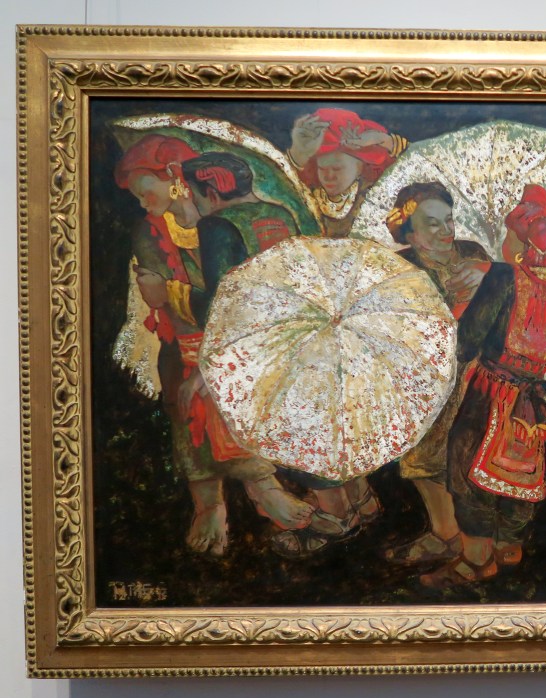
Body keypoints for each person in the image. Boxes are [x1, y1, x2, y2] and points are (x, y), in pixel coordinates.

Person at [115, 137, 314, 557]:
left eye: (145, 189)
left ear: (175, 178)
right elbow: (156, 293)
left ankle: (262, 486)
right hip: (183, 337)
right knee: (186, 405)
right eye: (135, 196)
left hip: (242, 336)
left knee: (241, 402)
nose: (141, 201)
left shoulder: (222, 223)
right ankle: (209, 505)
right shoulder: (149, 229)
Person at [420, 185, 546, 588]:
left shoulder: (503, 277)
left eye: (509, 236)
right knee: (520, 468)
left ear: (520, 244)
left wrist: (454, 314)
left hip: (491, 392)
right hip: (530, 398)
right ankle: (509, 548)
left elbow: (468, 341)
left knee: (466, 466)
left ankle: (476, 560)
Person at [378, 182, 491, 566]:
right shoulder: (399, 269)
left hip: (475, 371)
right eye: (432, 224)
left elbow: (503, 300)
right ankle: (445, 533)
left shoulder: (472, 254)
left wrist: (486, 277)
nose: (446, 231)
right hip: (423, 377)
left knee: (469, 455)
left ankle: (476, 543)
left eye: (449, 220)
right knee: (423, 457)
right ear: (409, 233)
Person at [287, 107, 407, 238]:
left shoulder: (375, 195)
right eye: (322, 168)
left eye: (337, 169)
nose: (329, 177)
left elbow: (420, 163)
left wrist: (385, 141)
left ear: (359, 167)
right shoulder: (305, 195)